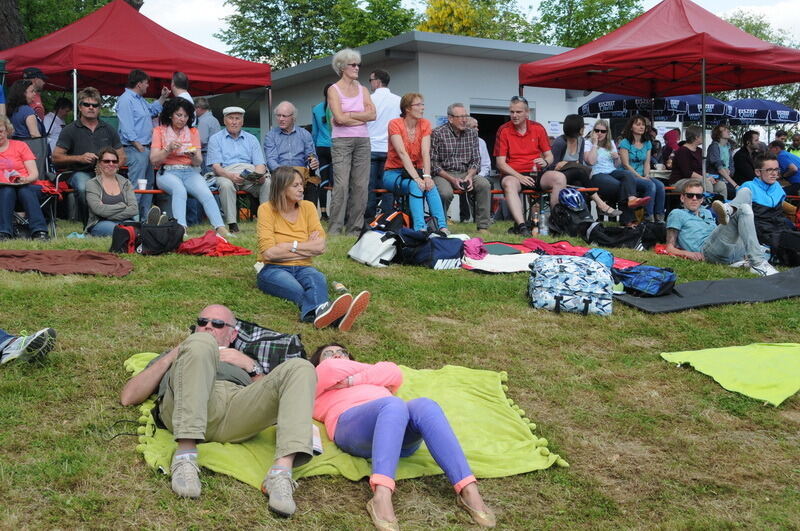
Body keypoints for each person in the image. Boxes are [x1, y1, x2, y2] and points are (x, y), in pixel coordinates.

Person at [119, 304, 316, 517]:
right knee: (201, 344)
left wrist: (251, 367)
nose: (208, 326)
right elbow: (128, 397)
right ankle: (185, 457)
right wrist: (173, 356)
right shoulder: (183, 352)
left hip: (237, 409)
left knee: (301, 367)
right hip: (188, 407)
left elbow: (276, 398)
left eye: (218, 324)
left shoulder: (243, 358)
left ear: (233, 335)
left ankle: (280, 474)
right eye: (202, 322)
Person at [310, 343, 496, 530]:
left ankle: (468, 489)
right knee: (393, 404)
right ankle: (381, 495)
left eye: (342, 352)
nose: (337, 355)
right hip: (351, 427)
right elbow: (331, 369)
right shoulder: (316, 381)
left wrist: (352, 380)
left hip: (395, 427)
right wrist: (374, 370)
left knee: (426, 405)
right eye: (328, 353)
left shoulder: (359, 377)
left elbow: (394, 372)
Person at [256, 166, 370, 329]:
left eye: (301, 184)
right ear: (281, 188)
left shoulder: (308, 207)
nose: (301, 189)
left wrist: (289, 246)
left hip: (304, 267)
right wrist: (305, 249)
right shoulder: (266, 209)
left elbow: (320, 247)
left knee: (318, 279)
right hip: (273, 268)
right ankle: (334, 316)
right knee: (297, 290)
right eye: (295, 185)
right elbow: (269, 253)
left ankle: (320, 315)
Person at [149, 98, 228, 237]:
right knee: (179, 190)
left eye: (186, 116)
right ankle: (181, 229)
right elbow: (153, 159)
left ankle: (220, 228)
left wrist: (193, 155)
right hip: (167, 171)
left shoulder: (193, 132)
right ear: (170, 114)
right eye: (179, 115)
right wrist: (168, 149)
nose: (182, 119)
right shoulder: (159, 131)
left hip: (190, 171)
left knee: (206, 192)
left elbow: (198, 162)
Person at [665, 178, 777, 276]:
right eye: (690, 195)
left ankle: (729, 209)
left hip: (726, 249)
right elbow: (669, 247)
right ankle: (757, 263)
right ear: (682, 198)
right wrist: (688, 253)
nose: (694, 198)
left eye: (698, 196)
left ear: (702, 199)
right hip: (708, 251)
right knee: (744, 209)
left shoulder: (707, 212)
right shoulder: (677, 214)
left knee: (746, 191)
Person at [494, 96, 566, 235]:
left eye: (518, 112)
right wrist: (519, 176)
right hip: (513, 174)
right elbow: (500, 163)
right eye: (512, 112)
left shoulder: (538, 128)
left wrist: (546, 162)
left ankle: (556, 223)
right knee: (509, 183)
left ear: (527, 113)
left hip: (534, 172)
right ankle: (522, 227)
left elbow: (550, 156)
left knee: (560, 177)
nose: (514, 115)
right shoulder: (504, 130)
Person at [53, 87, 125, 226]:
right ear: (80, 107)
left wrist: (111, 168)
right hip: (79, 172)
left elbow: (122, 156)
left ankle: (123, 222)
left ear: (99, 108)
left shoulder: (109, 129)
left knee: (125, 186)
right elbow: (56, 157)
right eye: (86, 104)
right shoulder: (70, 130)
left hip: (106, 173)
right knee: (84, 186)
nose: (91, 108)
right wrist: (79, 158)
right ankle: (90, 224)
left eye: (95, 105)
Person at [382, 93, 449, 233]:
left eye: (422, 104)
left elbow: (425, 152)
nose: (422, 107)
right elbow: (402, 153)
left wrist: (427, 176)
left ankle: (442, 227)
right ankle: (420, 229)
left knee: (430, 185)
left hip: (417, 171)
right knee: (416, 185)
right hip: (394, 173)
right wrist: (417, 178)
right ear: (407, 108)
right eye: (418, 105)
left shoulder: (425, 124)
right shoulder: (395, 124)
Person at [327, 48, 376, 235]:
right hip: (341, 141)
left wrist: (349, 115)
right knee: (341, 185)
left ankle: (354, 229)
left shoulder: (363, 89)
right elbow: (339, 118)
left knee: (361, 186)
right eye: (353, 65)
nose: (357, 68)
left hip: (363, 140)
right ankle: (335, 229)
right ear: (342, 67)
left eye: (358, 64)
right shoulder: (333, 89)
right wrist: (360, 116)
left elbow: (373, 115)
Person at [116, 69, 170, 221]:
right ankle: (132, 219)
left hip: (145, 149)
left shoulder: (139, 99)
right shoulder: (126, 100)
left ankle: (145, 219)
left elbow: (152, 110)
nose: (148, 86)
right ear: (139, 84)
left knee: (147, 185)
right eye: (146, 83)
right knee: (137, 185)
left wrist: (163, 97)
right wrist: (138, 145)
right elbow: (126, 126)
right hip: (135, 149)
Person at [549, 114, 625, 218]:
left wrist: (567, 163)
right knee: (581, 174)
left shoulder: (581, 141)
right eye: (583, 126)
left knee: (580, 184)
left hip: (575, 175)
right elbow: (553, 167)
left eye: (603, 131)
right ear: (577, 128)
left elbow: (580, 164)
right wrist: (570, 164)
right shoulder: (560, 142)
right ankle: (601, 205)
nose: (584, 128)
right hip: (557, 177)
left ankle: (585, 218)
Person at [207, 106, 268, 234]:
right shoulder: (215, 139)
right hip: (226, 173)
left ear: (242, 121)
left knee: (267, 182)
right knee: (226, 184)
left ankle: (266, 222)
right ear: (224, 121)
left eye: (237, 118)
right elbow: (216, 167)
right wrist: (231, 176)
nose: (234, 122)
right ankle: (232, 224)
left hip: (249, 176)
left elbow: (260, 164)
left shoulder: (252, 139)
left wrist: (259, 175)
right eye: (231, 118)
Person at [430, 103, 491, 232]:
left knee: (484, 184)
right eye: (460, 117)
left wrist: (470, 176)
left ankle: (483, 226)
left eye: (465, 116)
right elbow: (433, 164)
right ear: (450, 118)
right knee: (445, 193)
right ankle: (440, 225)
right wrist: (452, 179)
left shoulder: (472, 133)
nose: (464, 120)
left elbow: (476, 160)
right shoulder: (437, 133)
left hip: (465, 172)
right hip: (444, 174)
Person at [583, 118, 650, 224]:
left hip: (611, 171)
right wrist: (595, 144)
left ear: (607, 133)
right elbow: (591, 162)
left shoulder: (610, 143)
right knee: (620, 186)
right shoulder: (588, 143)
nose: (599, 133)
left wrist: (616, 158)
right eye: (597, 130)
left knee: (628, 175)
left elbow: (617, 165)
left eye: (603, 131)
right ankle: (627, 220)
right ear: (593, 131)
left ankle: (631, 199)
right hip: (596, 174)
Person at [741, 153, 799, 264]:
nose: (774, 173)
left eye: (776, 169)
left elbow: (781, 208)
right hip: (760, 232)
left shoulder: (777, 186)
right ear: (758, 172)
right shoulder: (748, 187)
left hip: (780, 228)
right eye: (769, 170)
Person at [0, 115, 49, 240]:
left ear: (7, 130)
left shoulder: (20, 146)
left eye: (1, 131)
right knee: (7, 190)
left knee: (25, 190)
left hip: (27, 186)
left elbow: (34, 174)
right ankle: (4, 233)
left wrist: (25, 179)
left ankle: (39, 231)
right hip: (2, 190)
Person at [263, 101, 319, 205]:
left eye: (284, 116)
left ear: (293, 117)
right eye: (278, 115)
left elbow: (311, 156)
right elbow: (271, 161)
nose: (280, 119)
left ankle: (309, 214)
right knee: (273, 183)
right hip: (280, 174)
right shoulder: (271, 136)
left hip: (301, 174)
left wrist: (314, 162)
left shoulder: (305, 134)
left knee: (312, 185)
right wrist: (287, 174)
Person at [365, 69, 400, 219]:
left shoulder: (368, 100)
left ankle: (368, 218)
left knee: (369, 186)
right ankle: (388, 218)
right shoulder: (398, 101)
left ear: (378, 82)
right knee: (388, 186)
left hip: (370, 147)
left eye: (370, 80)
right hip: (390, 148)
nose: (370, 84)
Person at [619, 115, 665, 223]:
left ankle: (659, 217)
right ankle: (648, 217)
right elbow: (625, 164)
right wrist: (640, 177)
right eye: (638, 124)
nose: (641, 127)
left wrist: (647, 175)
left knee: (660, 186)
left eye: (643, 125)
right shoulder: (625, 142)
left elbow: (647, 162)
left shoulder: (647, 143)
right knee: (650, 185)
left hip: (642, 175)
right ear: (631, 127)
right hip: (629, 176)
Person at [85, 147, 138, 236]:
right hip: (100, 223)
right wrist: (122, 205)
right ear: (99, 163)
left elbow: (134, 209)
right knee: (119, 231)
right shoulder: (92, 184)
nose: (111, 164)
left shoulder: (126, 182)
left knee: (138, 230)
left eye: (114, 161)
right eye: (107, 161)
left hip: (124, 221)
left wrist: (107, 214)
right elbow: (98, 210)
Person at [669, 125, 725, 197]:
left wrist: (709, 176)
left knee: (721, 185)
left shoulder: (699, 151)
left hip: (697, 179)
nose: (704, 137)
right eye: (702, 135)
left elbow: (701, 170)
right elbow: (688, 173)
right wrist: (705, 178)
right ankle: (705, 203)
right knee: (706, 183)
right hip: (679, 182)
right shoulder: (682, 151)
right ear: (696, 137)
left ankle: (722, 203)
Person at [311, 84, 334, 221]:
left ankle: (324, 213)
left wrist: (313, 150)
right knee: (337, 181)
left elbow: (314, 132)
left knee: (323, 180)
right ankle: (336, 212)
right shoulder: (338, 107)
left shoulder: (316, 109)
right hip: (336, 147)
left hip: (321, 147)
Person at [706, 125, 738, 196]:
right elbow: (719, 166)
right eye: (724, 130)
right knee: (735, 192)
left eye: (727, 129)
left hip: (726, 179)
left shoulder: (728, 147)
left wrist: (730, 171)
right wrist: (735, 185)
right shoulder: (714, 146)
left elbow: (731, 164)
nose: (728, 131)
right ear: (718, 134)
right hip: (715, 179)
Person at [194, 96, 221, 174]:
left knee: (207, 178)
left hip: (206, 156)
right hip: (215, 155)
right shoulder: (214, 119)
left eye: (194, 109)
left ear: (198, 108)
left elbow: (201, 142)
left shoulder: (204, 121)